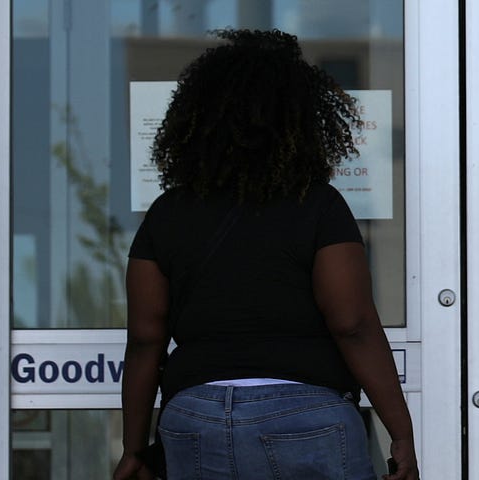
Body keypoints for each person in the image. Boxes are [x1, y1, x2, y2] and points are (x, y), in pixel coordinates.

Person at [113, 29, 417, 480]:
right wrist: (402, 435)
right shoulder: (318, 206)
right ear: (302, 122)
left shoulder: (167, 213)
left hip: (195, 418)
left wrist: (134, 449)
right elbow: (353, 324)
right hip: (307, 416)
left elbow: (144, 340)